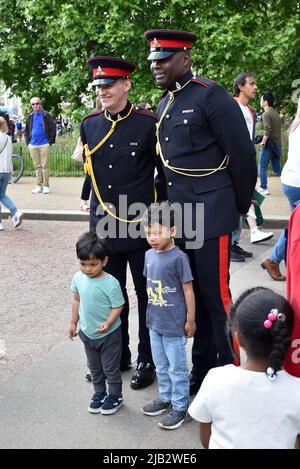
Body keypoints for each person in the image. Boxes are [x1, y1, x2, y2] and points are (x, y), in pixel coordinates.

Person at [144, 29, 257, 395]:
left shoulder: (212, 96)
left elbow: (242, 156)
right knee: (191, 295)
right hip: (182, 218)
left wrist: (237, 207)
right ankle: (204, 369)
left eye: (165, 59)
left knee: (216, 297)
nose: (157, 66)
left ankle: (241, 374)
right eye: (154, 61)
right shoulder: (165, 104)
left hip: (211, 213)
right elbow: (167, 168)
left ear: (186, 58)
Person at [80, 56, 167, 390]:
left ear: (127, 84)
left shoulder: (148, 122)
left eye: (110, 85)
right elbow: (93, 172)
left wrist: (164, 220)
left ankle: (147, 358)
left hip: (141, 225)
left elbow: (163, 175)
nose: (103, 91)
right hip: (104, 226)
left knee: (147, 296)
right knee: (110, 294)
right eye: (99, 86)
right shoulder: (89, 124)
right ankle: (120, 355)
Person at [189, 287, 300, 449]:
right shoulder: (296, 390)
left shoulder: (216, 379)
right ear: (287, 339)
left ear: (238, 338)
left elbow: (206, 438)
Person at [141, 202, 196, 430]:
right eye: (147, 233)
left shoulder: (179, 258)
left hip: (174, 325)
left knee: (177, 368)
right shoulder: (148, 255)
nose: (151, 238)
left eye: (156, 232)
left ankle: (180, 406)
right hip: (154, 322)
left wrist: (190, 319)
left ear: (172, 231)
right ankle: (165, 398)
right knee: (161, 365)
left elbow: (188, 290)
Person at [69, 232, 125, 415]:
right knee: (94, 368)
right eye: (83, 264)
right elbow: (76, 300)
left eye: (93, 264)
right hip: (87, 333)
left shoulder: (111, 283)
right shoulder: (78, 278)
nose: (87, 269)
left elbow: (119, 305)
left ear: (104, 261)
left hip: (109, 335)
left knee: (110, 368)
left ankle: (115, 396)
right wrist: (73, 322)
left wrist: (109, 322)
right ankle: (99, 393)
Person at [230, 73, 273, 262]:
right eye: (252, 84)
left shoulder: (250, 110)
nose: (255, 88)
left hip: (247, 162)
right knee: (233, 203)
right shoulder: (230, 106)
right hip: (233, 163)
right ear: (240, 86)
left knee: (243, 201)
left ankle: (234, 242)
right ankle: (228, 245)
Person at [261, 97, 300, 281]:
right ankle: (274, 258)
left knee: (296, 224)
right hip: (297, 182)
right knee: (296, 227)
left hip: (291, 180)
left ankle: (275, 259)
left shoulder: (295, 125)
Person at [25, 97, 56, 194]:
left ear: (40, 104)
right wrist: (28, 142)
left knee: (45, 166)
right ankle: (39, 186)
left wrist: (49, 142)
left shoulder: (46, 115)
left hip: (44, 144)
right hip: (33, 145)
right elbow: (26, 130)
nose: (35, 105)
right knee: (37, 166)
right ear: (31, 105)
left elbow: (53, 129)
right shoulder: (30, 116)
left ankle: (46, 186)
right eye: (33, 104)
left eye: (37, 103)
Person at [0, 116, 23, 231]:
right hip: (7, 171)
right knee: (2, 195)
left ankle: (0, 223)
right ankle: (15, 212)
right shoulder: (8, 138)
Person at [258, 92, 282, 195]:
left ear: (265, 102)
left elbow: (268, 129)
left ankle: (263, 188)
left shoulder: (266, 114)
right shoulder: (275, 113)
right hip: (278, 145)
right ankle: (293, 180)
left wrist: (263, 142)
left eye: (261, 99)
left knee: (262, 166)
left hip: (269, 146)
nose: (260, 101)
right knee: (277, 168)